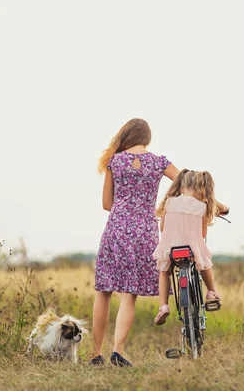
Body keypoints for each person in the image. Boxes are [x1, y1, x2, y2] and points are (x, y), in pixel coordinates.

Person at [91, 118, 179, 367]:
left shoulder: (114, 161)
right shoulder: (160, 162)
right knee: (128, 295)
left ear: (126, 136)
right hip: (144, 233)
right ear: (147, 139)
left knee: (104, 291)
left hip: (116, 230)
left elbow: (107, 204)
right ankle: (118, 350)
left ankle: (95, 354)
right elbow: (185, 182)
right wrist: (162, 207)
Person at [152, 169, 228, 325]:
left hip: (170, 247)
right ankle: (212, 291)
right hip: (192, 248)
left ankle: (163, 306)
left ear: (181, 187)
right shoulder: (202, 206)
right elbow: (203, 233)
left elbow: (162, 228)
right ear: (201, 188)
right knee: (205, 263)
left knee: (164, 272)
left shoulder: (170, 202)